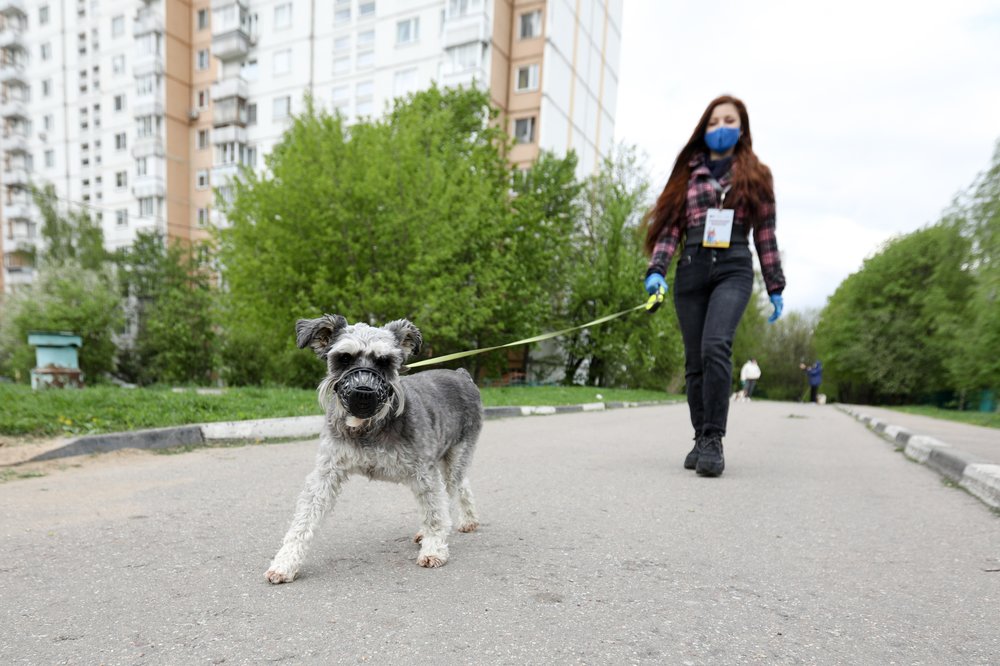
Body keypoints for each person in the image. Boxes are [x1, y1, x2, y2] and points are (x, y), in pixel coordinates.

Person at [643, 95, 786, 477]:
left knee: (715, 346)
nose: (721, 127)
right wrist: (657, 270)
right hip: (691, 268)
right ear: (703, 129)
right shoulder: (687, 175)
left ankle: (713, 438)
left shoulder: (757, 175)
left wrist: (775, 285)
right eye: (714, 121)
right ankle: (699, 435)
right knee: (694, 362)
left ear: (741, 129)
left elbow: (767, 234)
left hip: (734, 267)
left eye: (729, 120)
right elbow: (671, 228)